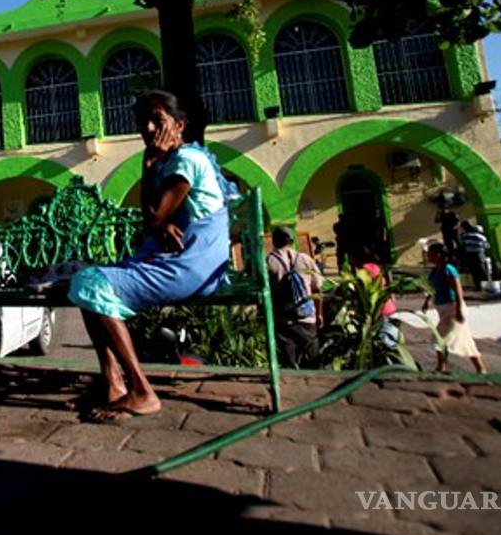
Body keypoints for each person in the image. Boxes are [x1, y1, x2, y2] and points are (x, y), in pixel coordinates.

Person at [68, 90, 230, 421]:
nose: (149, 128)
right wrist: (159, 222)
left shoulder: (187, 160)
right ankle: (114, 384)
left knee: (90, 283)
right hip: (188, 262)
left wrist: (156, 210)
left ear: (180, 125)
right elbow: (155, 221)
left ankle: (142, 392)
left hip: (190, 266)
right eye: (144, 121)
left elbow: (153, 215)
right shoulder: (173, 162)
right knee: (87, 290)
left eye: (158, 120)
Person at [421, 241, 486, 374]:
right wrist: (427, 300)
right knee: (464, 340)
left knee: (440, 338)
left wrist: (459, 309)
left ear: (438, 254)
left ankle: (441, 367)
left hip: (453, 308)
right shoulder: (434, 271)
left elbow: (457, 290)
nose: (428, 257)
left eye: (431, 254)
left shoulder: (448, 269)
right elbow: (432, 288)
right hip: (442, 309)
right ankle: (479, 368)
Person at [267, 226, 324, 368]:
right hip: (306, 317)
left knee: (289, 364)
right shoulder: (305, 259)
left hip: (283, 319)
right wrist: (319, 313)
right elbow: (318, 288)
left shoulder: (268, 261)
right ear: (291, 241)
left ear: (274, 241)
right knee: (313, 360)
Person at [350, 244, 399, 350]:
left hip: (378, 312)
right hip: (389, 308)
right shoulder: (375, 266)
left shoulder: (363, 271)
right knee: (392, 344)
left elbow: (364, 292)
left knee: (385, 343)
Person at [459, 220, 490, 289]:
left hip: (470, 255)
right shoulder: (481, 237)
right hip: (480, 254)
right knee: (482, 270)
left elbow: (462, 246)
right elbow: (487, 246)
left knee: (474, 271)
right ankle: (486, 286)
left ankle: (478, 286)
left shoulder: (465, 236)